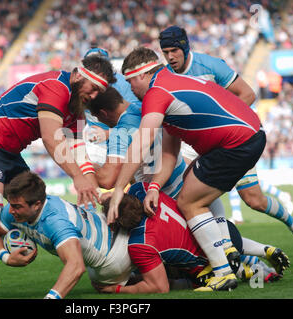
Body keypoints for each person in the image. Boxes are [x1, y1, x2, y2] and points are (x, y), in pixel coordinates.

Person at [0, 55, 117, 299]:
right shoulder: (56, 86)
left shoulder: (75, 112)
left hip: (8, 153)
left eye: (99, 93)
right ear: (77, 75)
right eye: (93, 88)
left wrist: (100, 193)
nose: (94, 96)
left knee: (35, 206)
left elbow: (80, 158)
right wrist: (77, 177)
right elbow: (52, 138)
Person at [107, 46, 267, 291]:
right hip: (249, 136)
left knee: (189, 202)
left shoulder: (156, 91)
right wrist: (154, 187)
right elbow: (170, 154)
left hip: (235, 143)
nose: (131, 89)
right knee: (191, 184)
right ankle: (234, 255)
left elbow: (141, 142)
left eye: (130, 82)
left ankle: (223, 272)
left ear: (142, 74)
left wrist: (119, 189)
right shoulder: (174, 83)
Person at [158, 25, 293, 255]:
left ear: (184, 47)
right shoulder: (166, 77)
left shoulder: (210, 66)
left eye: (174, 50)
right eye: (165, 52)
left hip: (232, 141)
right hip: (198, 146)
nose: (170, 57)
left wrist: (222, 126)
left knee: (254, 200)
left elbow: (248, 94)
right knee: (192, 192)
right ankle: (226, 249)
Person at [95, 182, 289, 294]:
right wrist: (113, 197)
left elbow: (160, 287)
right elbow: (126, 195)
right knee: (218, 243)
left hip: (208, 263)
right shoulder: (143, 189)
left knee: (176, 274)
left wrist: (117, 290)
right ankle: (259, 253)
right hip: (221, 228)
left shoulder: (140, 244)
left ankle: (250, 271)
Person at [0, 171, 134, 299]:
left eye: (17, 207)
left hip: (113, 258)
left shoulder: (55, 222)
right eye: (10, 204)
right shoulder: (17, 209)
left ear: (36, 204)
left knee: (99, 283)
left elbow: (76, 266)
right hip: (105, 227)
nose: (10, 211)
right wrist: (6, 257)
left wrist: (51, 297)